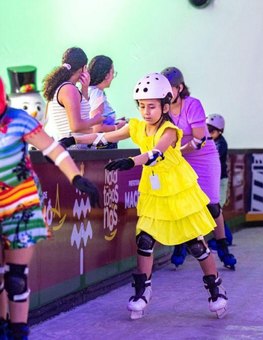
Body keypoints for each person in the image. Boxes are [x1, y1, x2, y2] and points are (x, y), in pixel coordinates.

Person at [59, 73, 228, 319]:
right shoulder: (137, 126)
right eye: (141, 106)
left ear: (165, 106)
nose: (146, 111)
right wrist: (71, 139)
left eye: (151, 106)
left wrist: (130, 161)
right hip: (154, 191)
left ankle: (216, 290)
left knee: (195, 244)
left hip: (178, 190)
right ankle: (141, 293)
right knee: (145, 241)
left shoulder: (170, 130)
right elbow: (104, 137)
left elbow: (155, 154)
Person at [0, 77, 99, 339]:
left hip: (21, 207)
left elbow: (54, 150)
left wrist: (75, 177)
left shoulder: (19, 121)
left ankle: (18, 331)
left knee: (15, 277)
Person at [161, 67, 236, 270]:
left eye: (168, 89)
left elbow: (200, 139)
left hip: (204, 157)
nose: (164, 93)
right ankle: (180, 247)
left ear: (180, 88)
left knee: (212, 206)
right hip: (182, 158)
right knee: (182, 203)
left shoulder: (192, 105)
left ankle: (223, 249)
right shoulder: (164, 108)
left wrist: (178, 152)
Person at [43, 47, 104, 146]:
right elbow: (75, 126)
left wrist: (84, 88)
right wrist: (95, 120)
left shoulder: (64, 88)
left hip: (70, 146)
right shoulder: (69, 89)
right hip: (71, 147)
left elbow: (80, 113)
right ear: (84, 67)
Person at [87, 55, 127, 147]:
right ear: (106, 75)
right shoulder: (97, 95)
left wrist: (114, 121)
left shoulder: (90, 91)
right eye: (113, 73)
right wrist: (118, 127)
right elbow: (97, 128)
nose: (113, 77)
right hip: (103, 147)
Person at [206, 114, 233, 247]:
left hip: (219, 181)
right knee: (212, 210)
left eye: (212, 131)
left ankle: (225, 239)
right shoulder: (207, 141)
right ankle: (223, 238)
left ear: (220, 131)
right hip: (209, 180)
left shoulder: (221, 144)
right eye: (207, 130)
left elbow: (211, 158)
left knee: (216, 210)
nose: (209, 134)